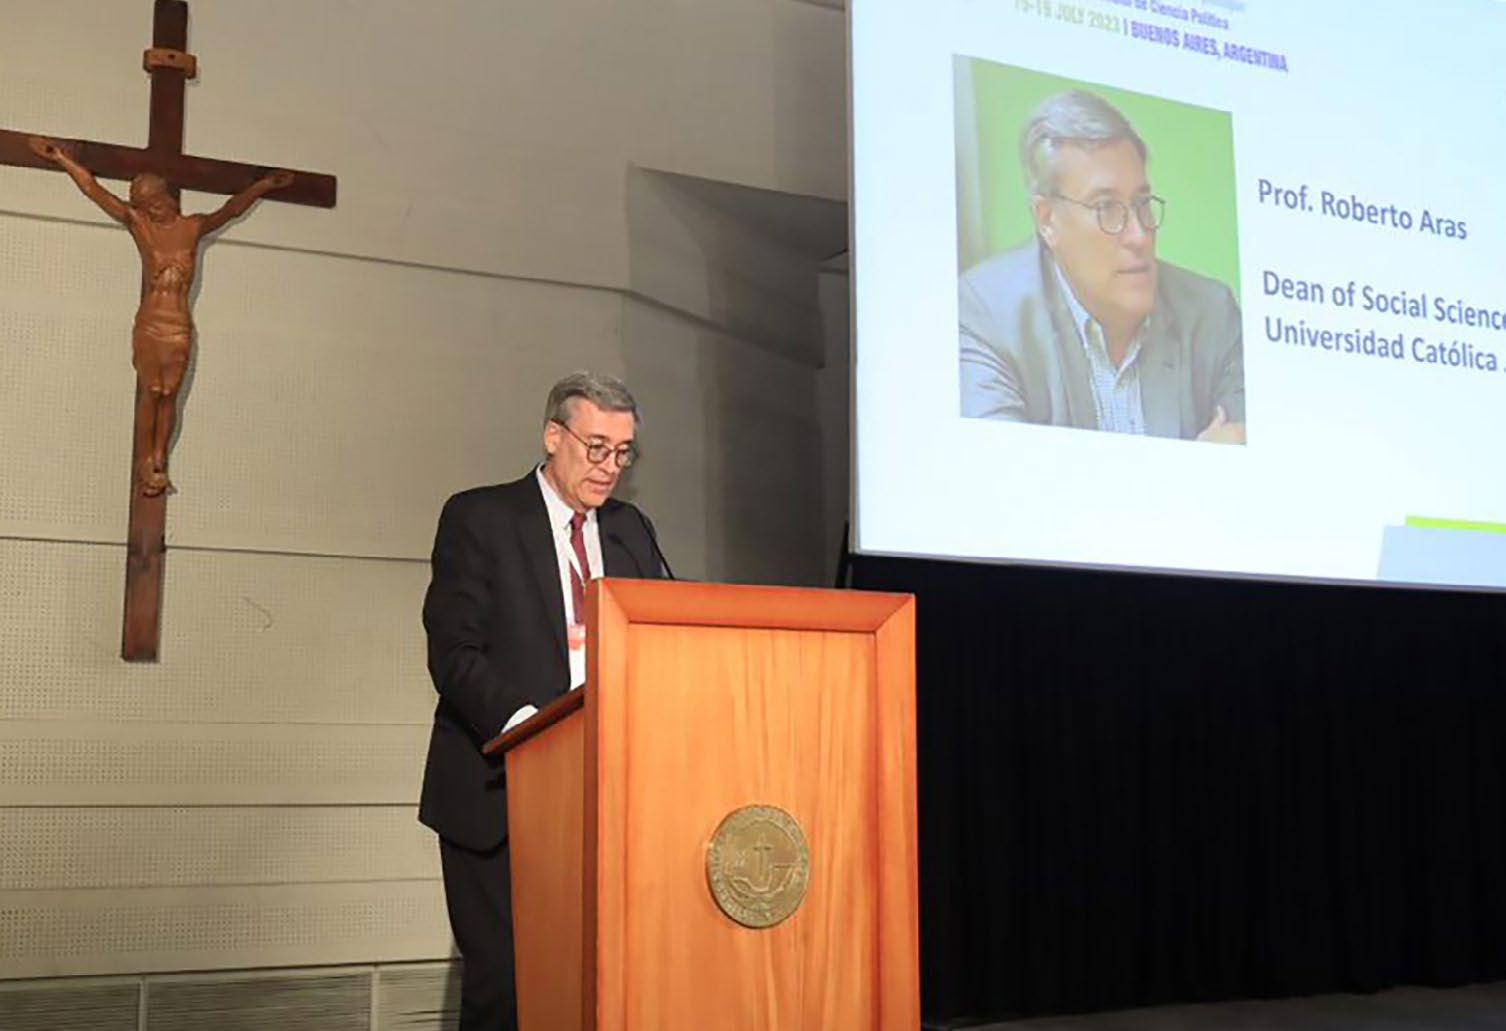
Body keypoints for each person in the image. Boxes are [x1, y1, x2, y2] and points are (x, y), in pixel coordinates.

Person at [419, 371, 666, 1031]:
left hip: (604, 799)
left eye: (623, 453)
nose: (609, 467)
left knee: (594, 985)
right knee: (507, 990)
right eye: (596, 447)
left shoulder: (631, 531)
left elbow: (662, 639)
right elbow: (454, 652)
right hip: (498, 792)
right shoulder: (480, 517)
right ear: (553, 436)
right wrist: (531, 732)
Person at [959, 91, 1245, 443]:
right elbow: (999, 469)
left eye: (1142, 203)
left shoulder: (1211, 316)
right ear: (1047, 220)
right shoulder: (987, 318)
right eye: (1106, 207)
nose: (1140, 235)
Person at [27, 136, 293, 493]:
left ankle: (158, 459)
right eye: (144, 205)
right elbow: (94, 190)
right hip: (151, 322)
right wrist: (62, 158)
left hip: (178, 325)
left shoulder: (192, 227)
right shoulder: (141, 226)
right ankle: (144, 462)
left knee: (169, 392)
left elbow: (231, 210)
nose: (151, 210)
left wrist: (263, 185)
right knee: (151, 391)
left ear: (166, 197)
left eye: (153, 202)